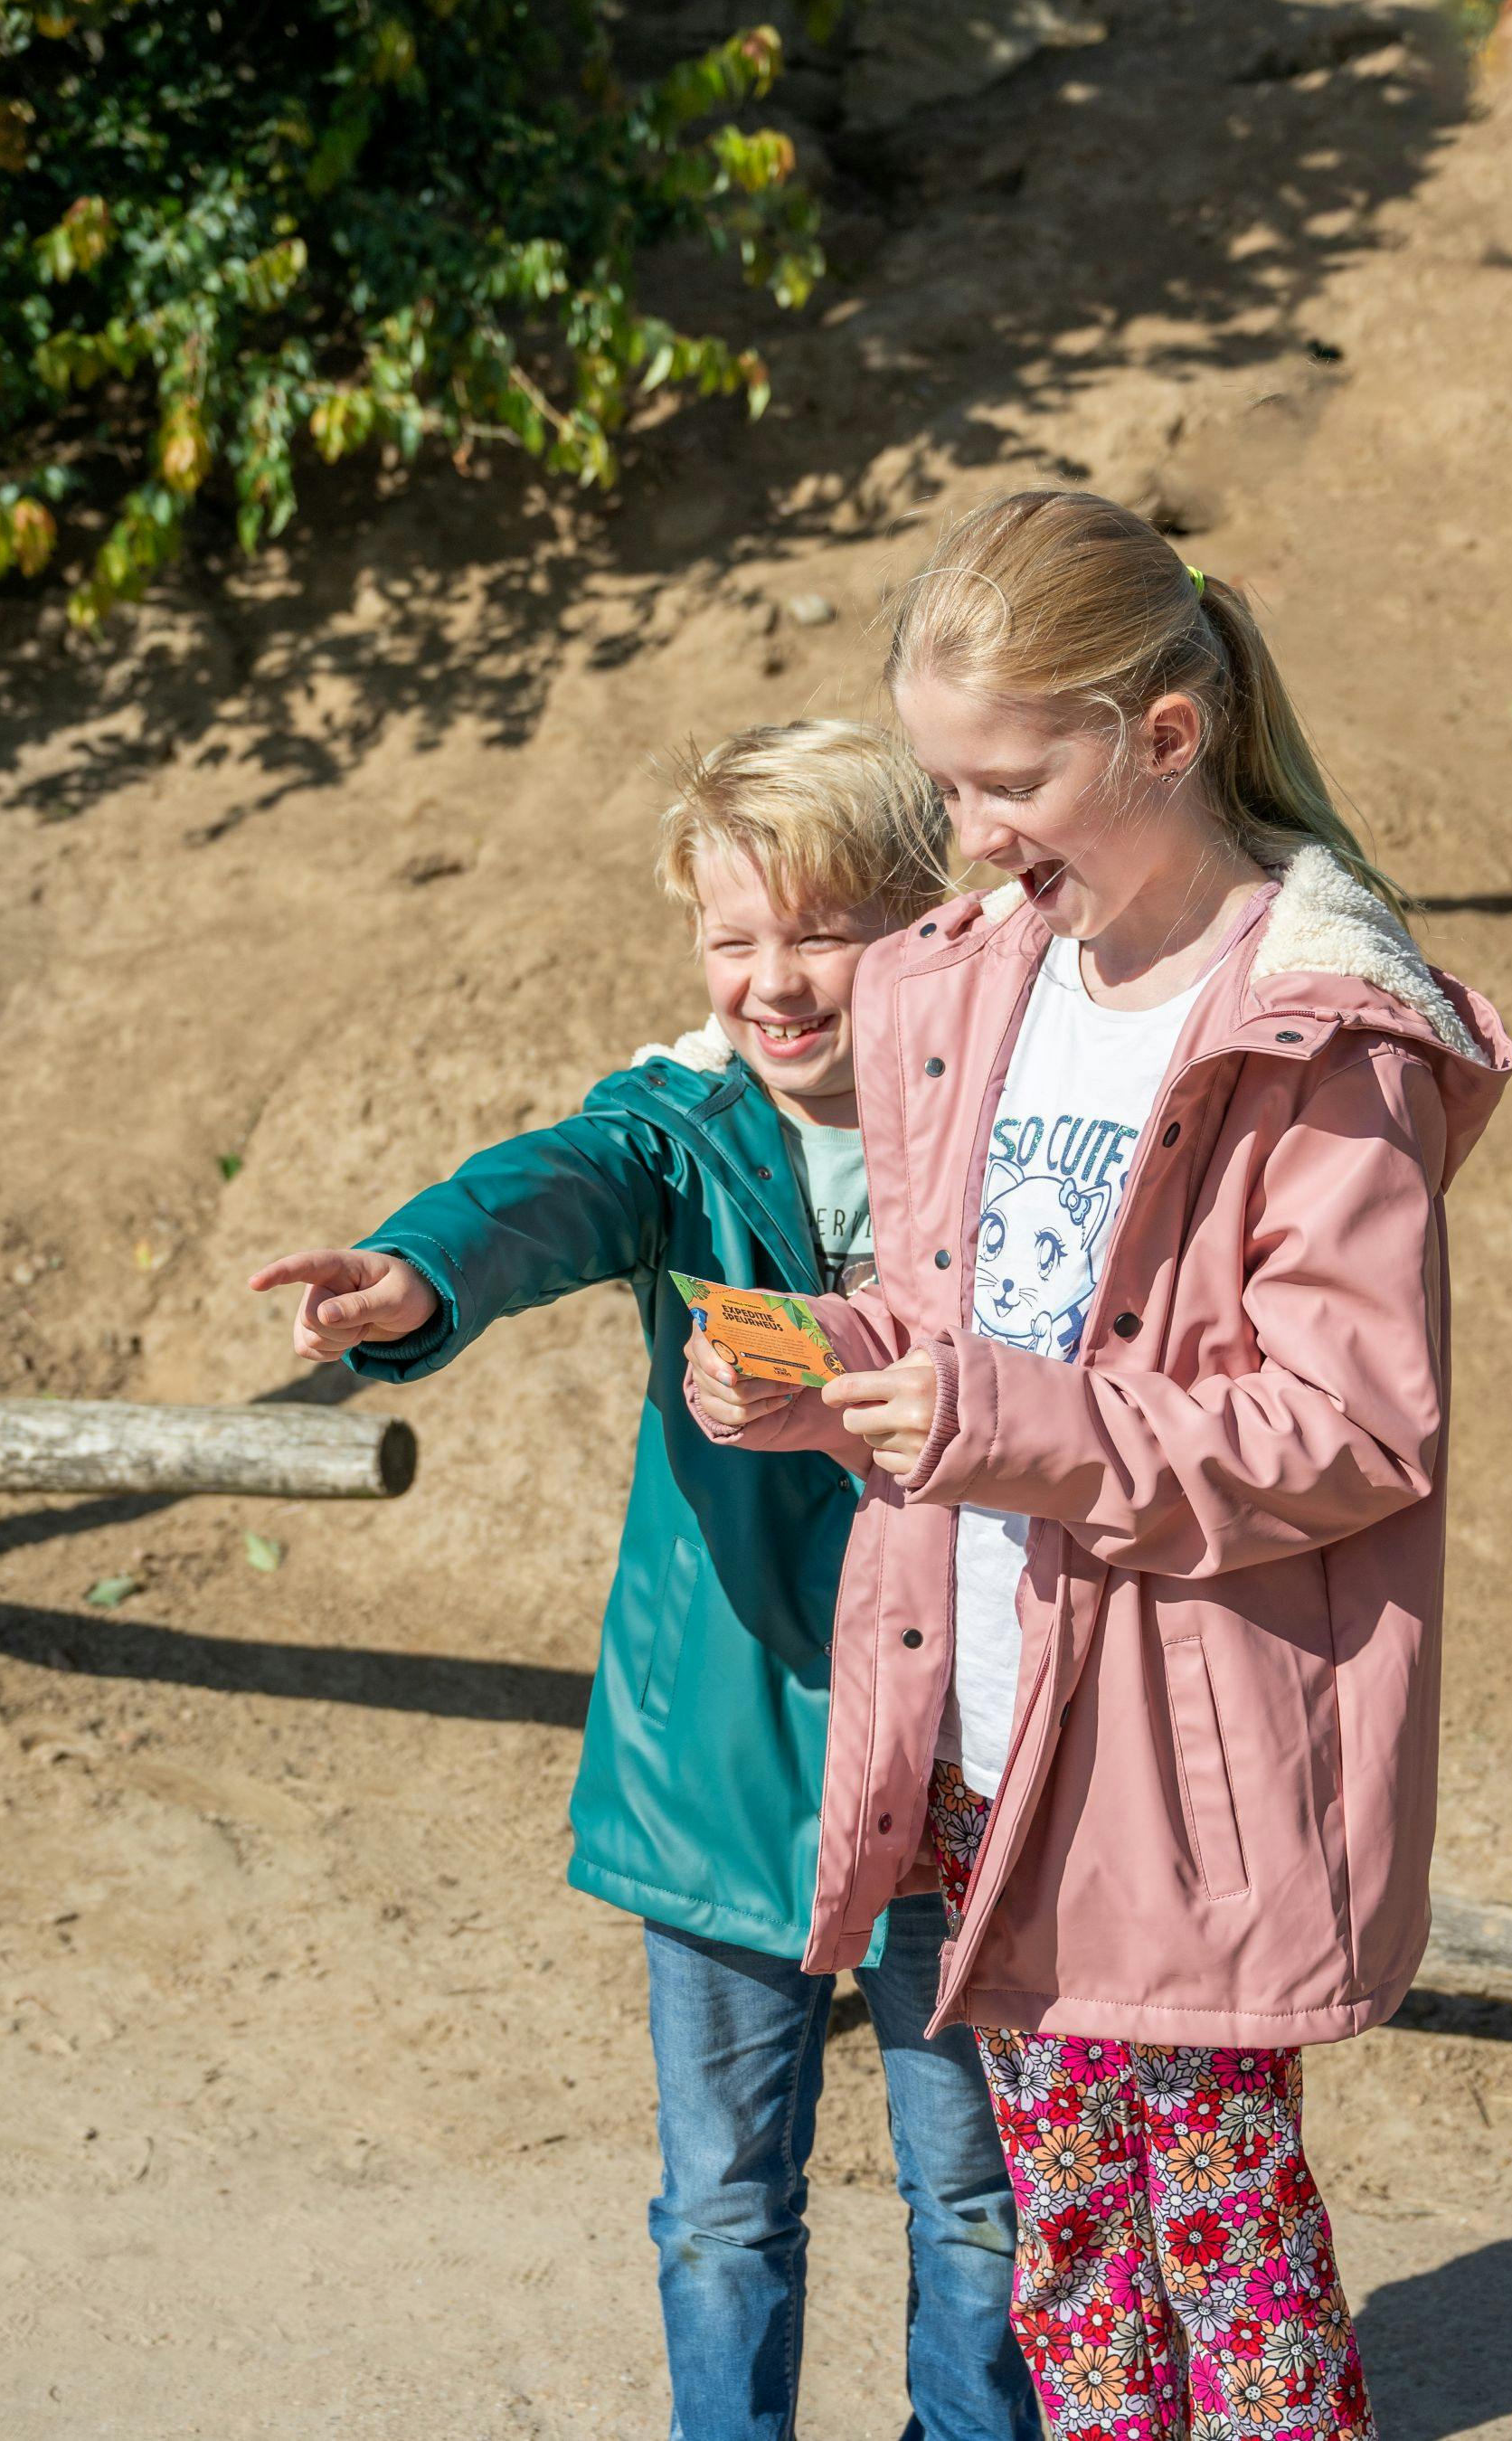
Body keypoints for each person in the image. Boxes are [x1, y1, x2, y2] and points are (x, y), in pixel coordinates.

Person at [686, 493, 1512, 2441]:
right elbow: (959, 1308)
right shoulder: (971, 977)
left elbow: (1348, 1428)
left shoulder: (1319, 1025)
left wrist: (981, 1415)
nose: (966, 838)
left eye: (1007, 781)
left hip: (1192, 1739)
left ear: (1164, 732)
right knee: (1066, 2234)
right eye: (945, 782)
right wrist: (829, 1370)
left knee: (1223, 2238)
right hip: (982, 1714)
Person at [250, 720, 1039, 2441]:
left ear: (933, 917)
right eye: (733, 937)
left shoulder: (1019, 1130)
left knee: (980, 2201)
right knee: (721, 2203)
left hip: (967, 1743)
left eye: (820, 932)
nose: (774, 983)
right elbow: (561, 1184)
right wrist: (416, 1265)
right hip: (727, 1743)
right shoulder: (680, 1127)